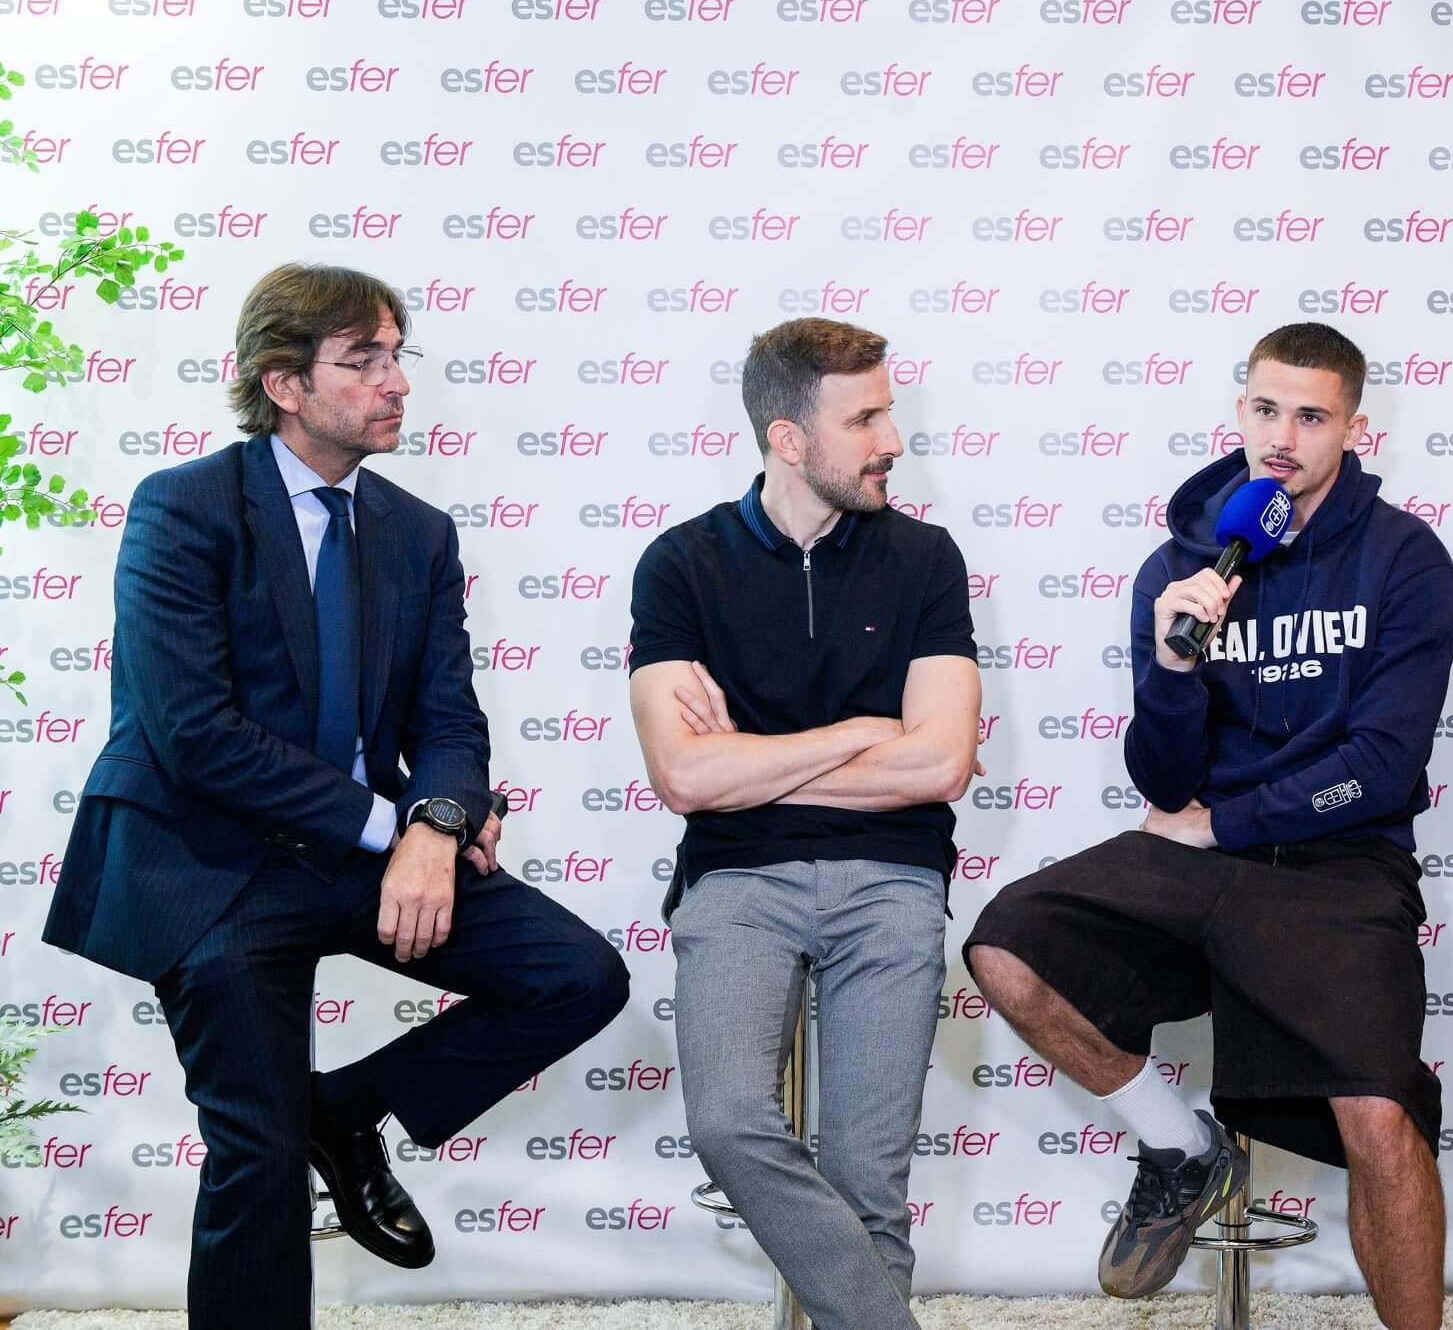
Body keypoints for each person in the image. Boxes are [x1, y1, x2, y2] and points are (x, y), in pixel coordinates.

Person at [41, 263, 630, 1330]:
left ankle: (347, 1112)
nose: (397, 381)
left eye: (399, 355)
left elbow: (449, 722)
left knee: (574, 975)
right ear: (284, 383)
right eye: (364, 359)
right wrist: (398, 829)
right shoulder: (183, 509)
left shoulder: (415, 531)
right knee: (255, 1150)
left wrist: (441, 818)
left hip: (355, 856)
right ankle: (299, 1131)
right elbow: (195, 735)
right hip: (212, 859)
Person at [963, 323, 1453, 1327]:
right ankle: (1179, 1144)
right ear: (1239, 410)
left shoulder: (1403, 557)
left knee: (1379, 1113)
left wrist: (1219, 822)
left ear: (1353, 429)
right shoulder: (1178, 569)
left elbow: (1381, 766)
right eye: (1265, 409)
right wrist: (1176, 667)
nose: (1282, 436)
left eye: (1310, 416)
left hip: (1339, 866)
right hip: (1202, 856)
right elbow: (1160, 773)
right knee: (1007, 946)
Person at [627, 317, 980, 1330]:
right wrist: (862, 733)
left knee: (868, 1180)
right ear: (788, 439)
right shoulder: (681, 564)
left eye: (889, 409)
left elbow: (940, 761)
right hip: (735, 882)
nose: (892, 439)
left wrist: (762, 760)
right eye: (864, 416)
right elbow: (686, 776)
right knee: (734, 1124)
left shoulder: (924, 558)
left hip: (892, 877)